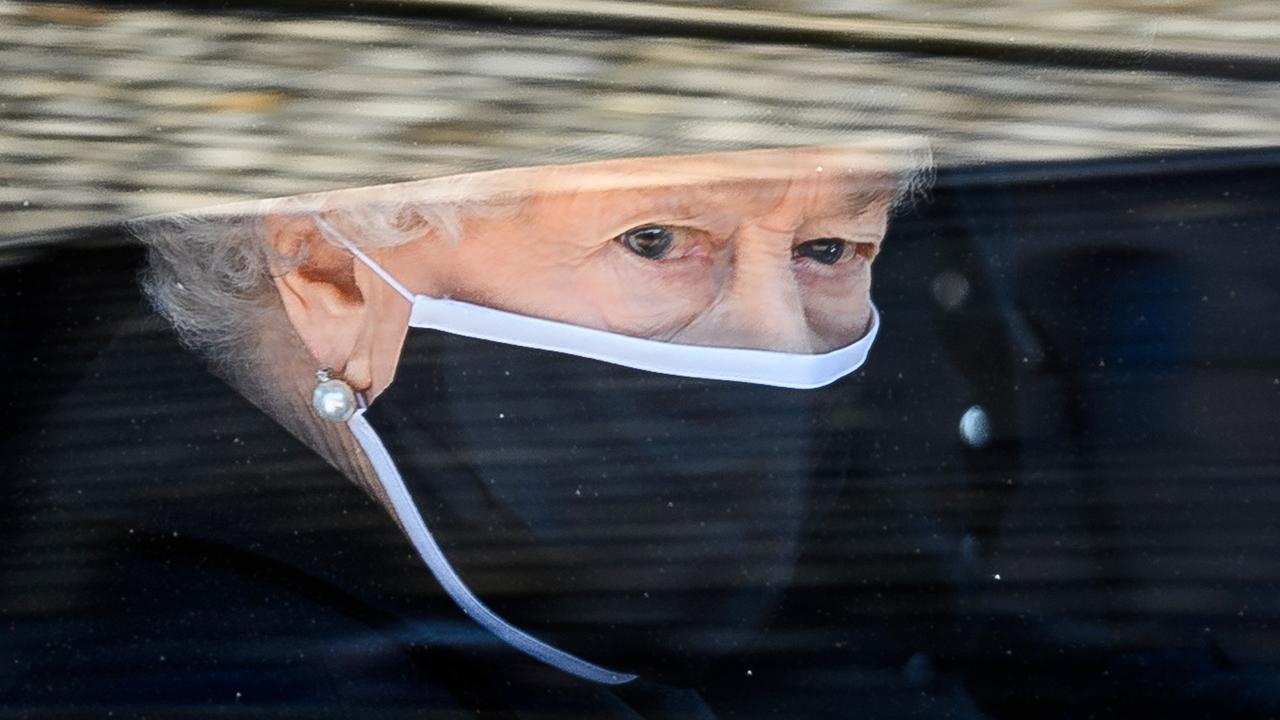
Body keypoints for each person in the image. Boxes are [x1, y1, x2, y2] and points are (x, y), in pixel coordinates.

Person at [126, 140, 933, 688]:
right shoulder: (167, 669)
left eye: (829, 249)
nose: (781, 340)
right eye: (652, 240)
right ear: (328, 270)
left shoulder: (870, 609)